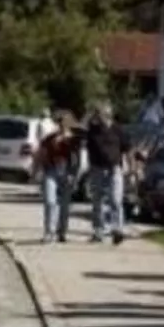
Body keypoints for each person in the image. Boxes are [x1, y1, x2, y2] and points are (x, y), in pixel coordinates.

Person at [85, 105, 129, 245]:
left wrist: (129, 166)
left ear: (108, 115)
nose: (99, 117)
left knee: (115, 199)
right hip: (97, 168)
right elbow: (88, 148)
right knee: (97, 200)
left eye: (101, 115)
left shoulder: (118, 130)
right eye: (97, 115)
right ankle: (98, 231)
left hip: (115, 169)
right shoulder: (93, 131)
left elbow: (126, 148)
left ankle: (117, 230)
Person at [34, 115, 82, 244]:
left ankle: (62, 231)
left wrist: (74, 174)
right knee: (50, 201)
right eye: (59, 123)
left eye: (64, 123)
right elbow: (41, 154)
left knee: (65, 205)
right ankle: (49, 232)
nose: (61, 125)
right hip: (51, 171)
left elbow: (77, 158)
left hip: (67, 172)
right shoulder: (50, 138)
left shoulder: (74, 140)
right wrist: (36, 171)